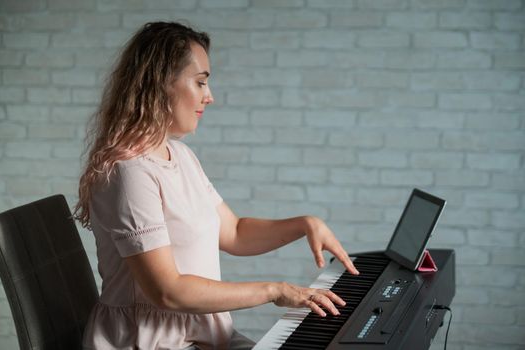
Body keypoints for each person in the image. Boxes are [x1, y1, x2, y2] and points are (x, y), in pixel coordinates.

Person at [75, 21, 359, 350]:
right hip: (149, 343)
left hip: (204, 338)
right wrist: (275, 291)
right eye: (199, 83)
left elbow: (234, 232)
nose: (209, 97)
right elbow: (168, 291)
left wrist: (304, 224)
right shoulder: (130, 174)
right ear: (160, 84)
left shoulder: (180, 155)